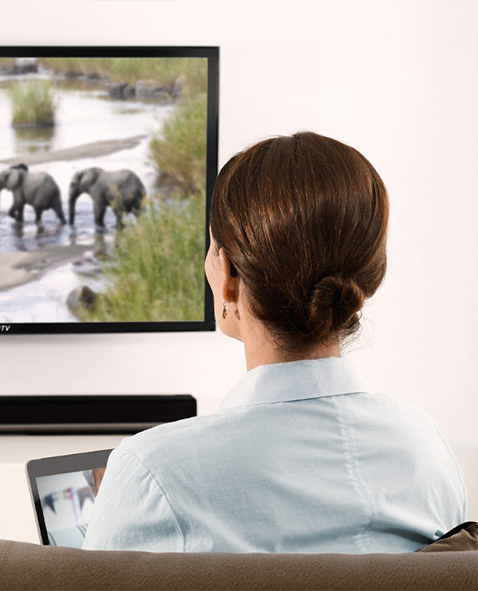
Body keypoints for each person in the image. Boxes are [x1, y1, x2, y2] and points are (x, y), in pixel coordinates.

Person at [82, 132, 466, 553]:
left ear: (227, 274)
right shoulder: (425, 449)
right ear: (371, 273)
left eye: (211, 248)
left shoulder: (152, 474)